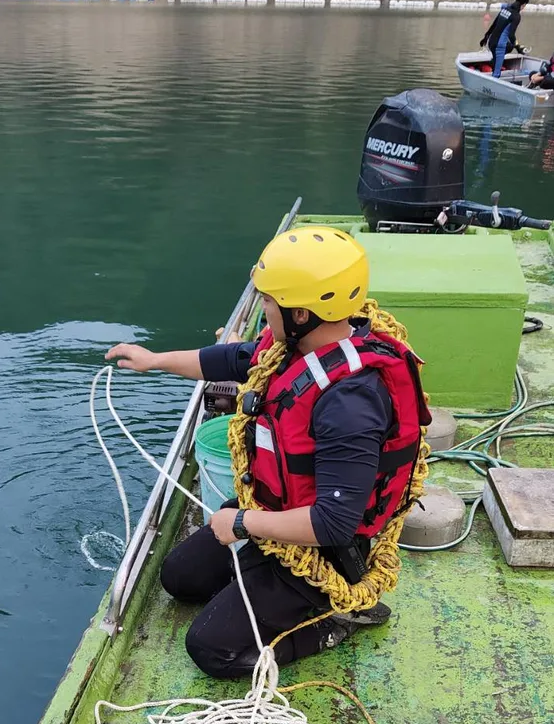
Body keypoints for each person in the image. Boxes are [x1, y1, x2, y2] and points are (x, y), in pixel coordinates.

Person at [106, 227, 430, 679]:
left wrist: (240, 522)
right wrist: (154, 359)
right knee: (179, 577)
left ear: (301, 313)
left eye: (268, 301)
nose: (263, 308)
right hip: (274, 510)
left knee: (211, 649)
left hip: (323, 550)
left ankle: (334, 618)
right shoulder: (295, 347)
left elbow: (334, 522)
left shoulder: (350, 403)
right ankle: (259, 583)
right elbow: (229, 360)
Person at [480, 0, 529, 78]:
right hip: (499, 46)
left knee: (510, 46)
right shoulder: (516, 16)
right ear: (524, 4)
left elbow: (494, 24)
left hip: (491, 42)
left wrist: (485, 37)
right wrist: (518, 47)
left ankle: (493, 62)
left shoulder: (505, 9)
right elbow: (511, 35)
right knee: (496, 74)